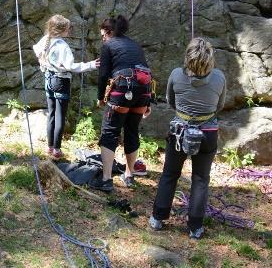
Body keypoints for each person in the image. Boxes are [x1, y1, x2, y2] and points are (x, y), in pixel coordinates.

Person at [149, 37, 226, 239]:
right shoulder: (219, 77)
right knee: (200, 180)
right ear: (210, 59)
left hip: (179, 131)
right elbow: (220, 106)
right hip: (208, 133)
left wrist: (186, 112)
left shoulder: (176, 74)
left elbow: (170, 101)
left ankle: (158, 218)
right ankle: (195, 227)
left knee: (170, 174)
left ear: (188, 56)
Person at [88, 15, 153, 192]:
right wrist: (149, 101)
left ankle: (107, 179)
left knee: (110, 131)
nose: (102, 38)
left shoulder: (108, 45)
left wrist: (101, 97)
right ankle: (129, 175)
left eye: (102, 35)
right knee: (132, 131)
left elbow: (103, 75)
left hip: (122, 90)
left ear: (109, 32)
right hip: (143, 91)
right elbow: (147, 72)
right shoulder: (136, 45)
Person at [33, 15, 99, 159]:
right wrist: (91, 65)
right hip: (61, 81)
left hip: (48, 80)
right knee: (60, 116)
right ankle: (57, 149)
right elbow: (70, 66)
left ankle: (50, 147)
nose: (70, 30)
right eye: (68, 28)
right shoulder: (62, 46)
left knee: (51, 114)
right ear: (62, 30)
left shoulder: (45, 40)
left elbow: (39, 55)